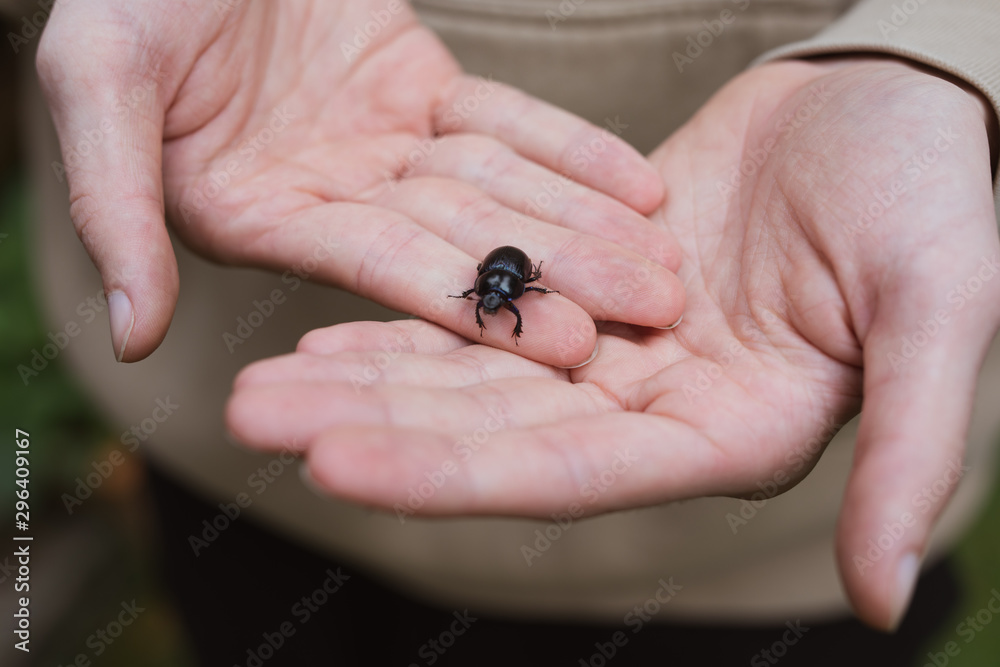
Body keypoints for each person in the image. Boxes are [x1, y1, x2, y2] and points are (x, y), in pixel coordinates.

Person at [24, 0, 1000, 663]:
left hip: (733, 567)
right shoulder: (496, 285)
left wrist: (943, 43)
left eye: (497, 300)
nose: (492, 307)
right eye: (494, 301)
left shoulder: (515, 284)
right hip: (237, 467)